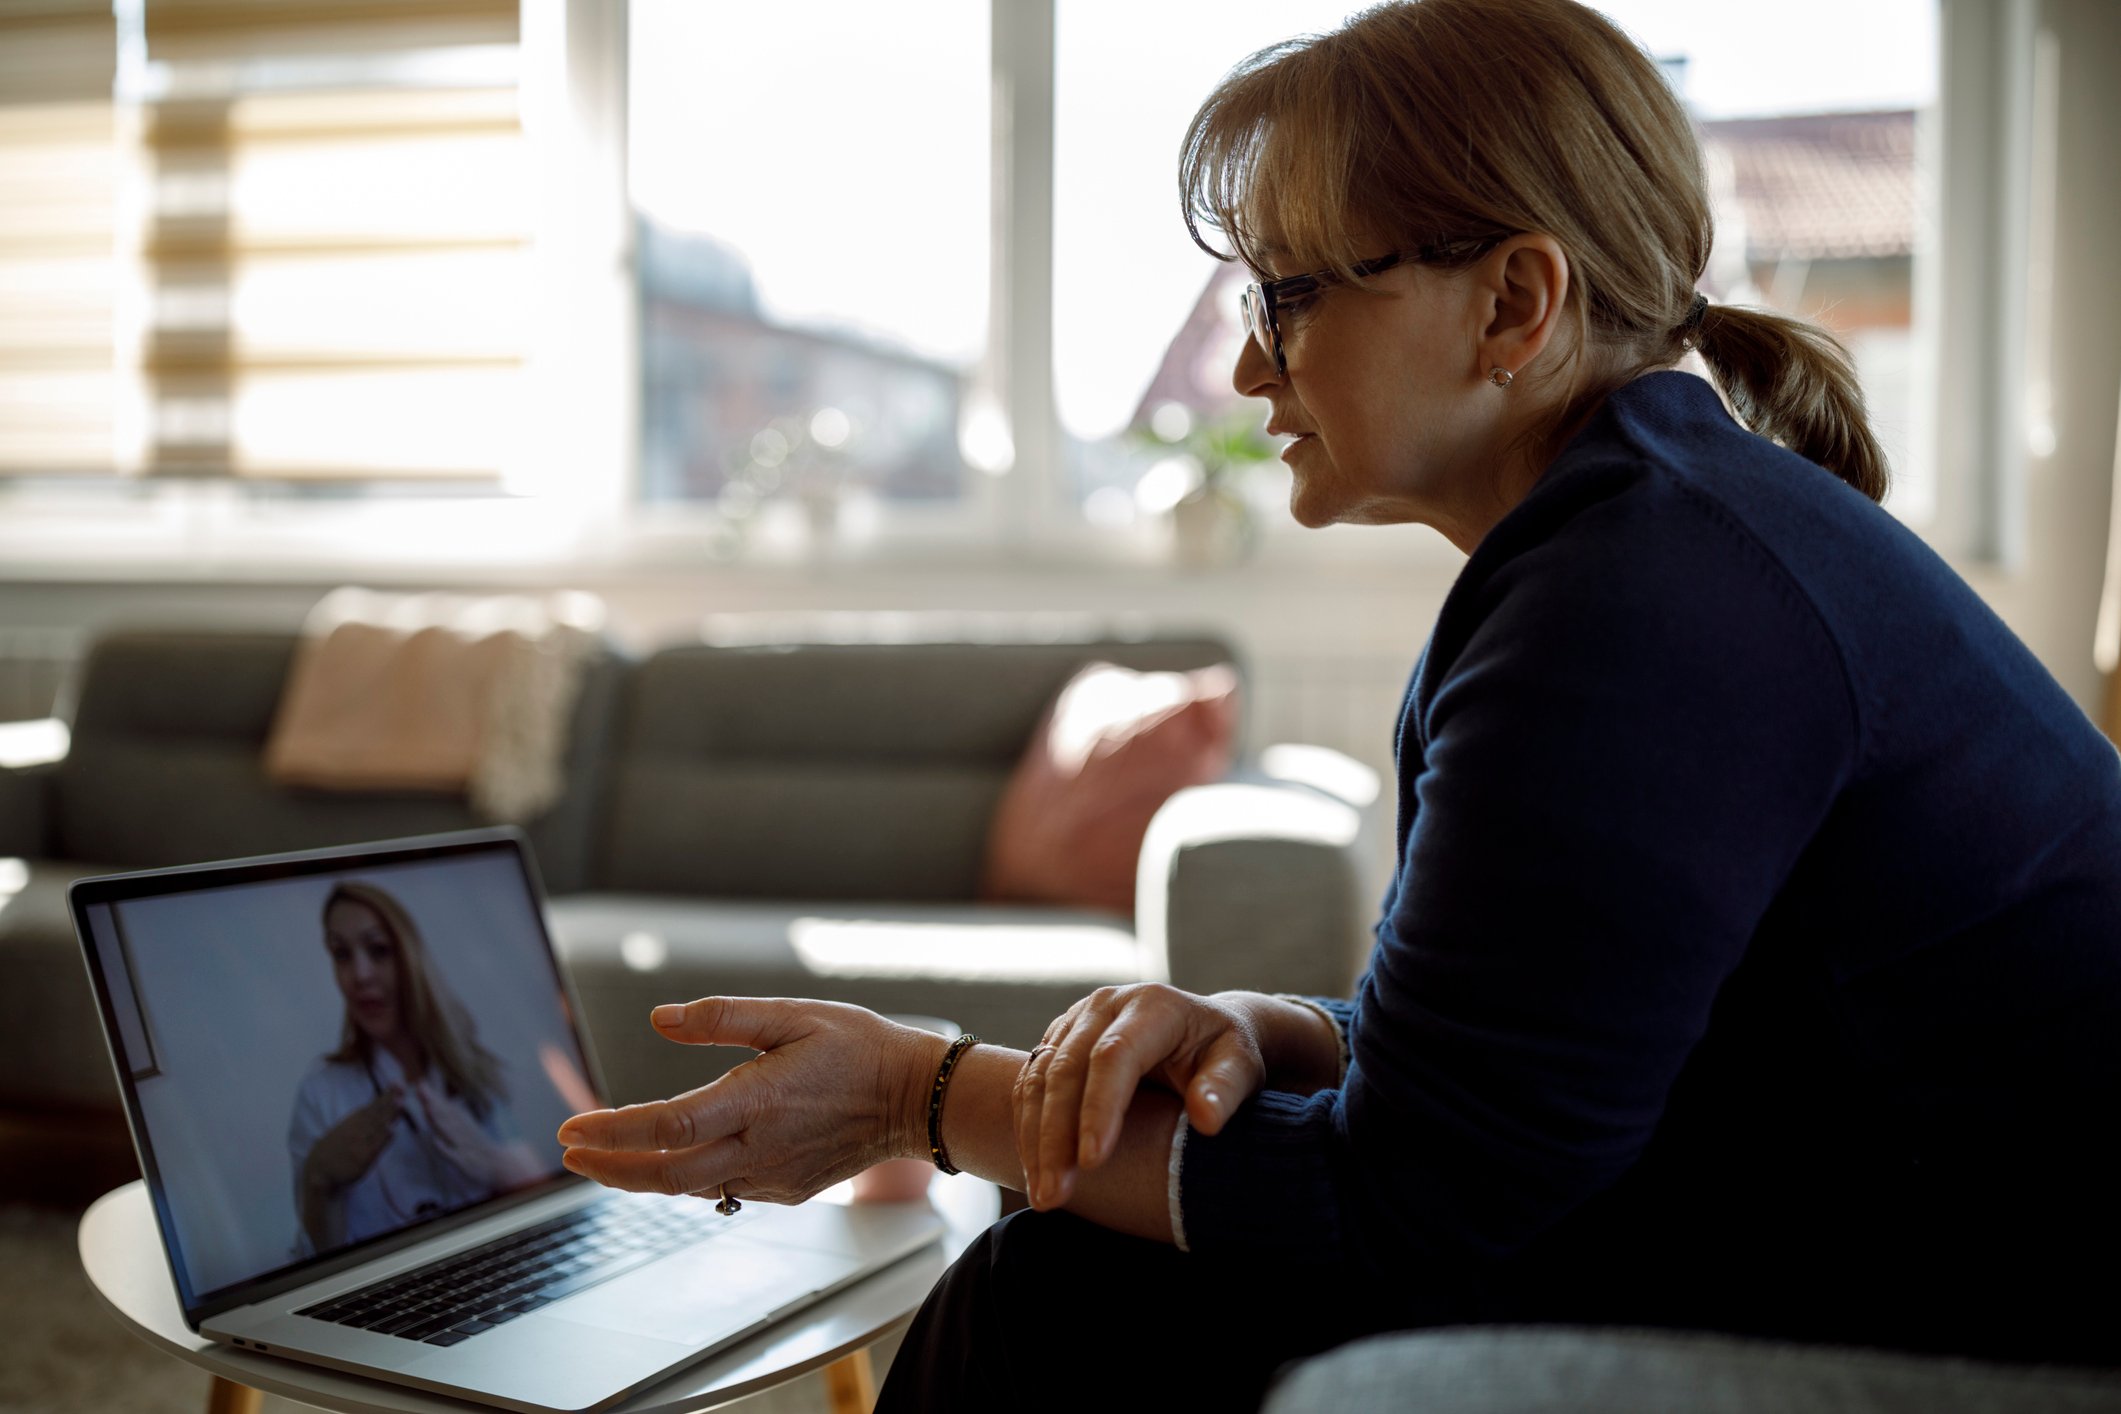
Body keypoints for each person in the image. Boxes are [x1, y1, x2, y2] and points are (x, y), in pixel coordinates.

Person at [554, 0, 2121, 1405]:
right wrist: (1284, 1029)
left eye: (1288, 298)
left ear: (1514, 304)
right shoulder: (1653, 530)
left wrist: (920, 1090)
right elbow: (1540, 1050)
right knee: (1084, 1279)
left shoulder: (1641, 589)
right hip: (1847, 1211)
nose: (1248, 371)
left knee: (1070, 1294)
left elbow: (1406, 1214)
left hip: (1986, 1302)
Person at [289, 881, 543, 1254]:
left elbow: (547, 1192)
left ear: (412, 958)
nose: (359, 975)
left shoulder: (473, 1070)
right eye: (341, 954)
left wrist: (493, 1162)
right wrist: (318, 1180)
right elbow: (314, 1264)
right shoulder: (321, 1094)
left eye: (378, 950)